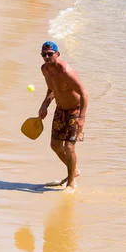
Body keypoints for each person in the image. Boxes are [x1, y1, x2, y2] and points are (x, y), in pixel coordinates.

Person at [37, 41, 89, 194]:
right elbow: (51, 88)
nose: (47, 57)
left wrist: (82, 118)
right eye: (44, 54)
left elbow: (84, 93)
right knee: (55, 145)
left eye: (50, 54)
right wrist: (44, 105)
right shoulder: (45, 70)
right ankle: (74, 170)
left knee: (69, 147)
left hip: (75, 110)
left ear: (57, 54)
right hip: (60, 109)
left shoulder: (66, 71)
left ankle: (71, 182)